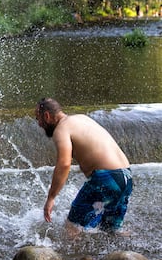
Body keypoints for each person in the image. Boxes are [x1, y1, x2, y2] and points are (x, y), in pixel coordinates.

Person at [35, 98, 132, 237]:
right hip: (126, 176)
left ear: (47, 116)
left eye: (38, 119)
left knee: (73, 227)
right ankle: (127, 256)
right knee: (111, 231)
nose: (39, 124)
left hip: (105, 179)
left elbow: (64, 164)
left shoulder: (61, 130)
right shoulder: (81, 118)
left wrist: (51, 198)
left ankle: (76, 259)